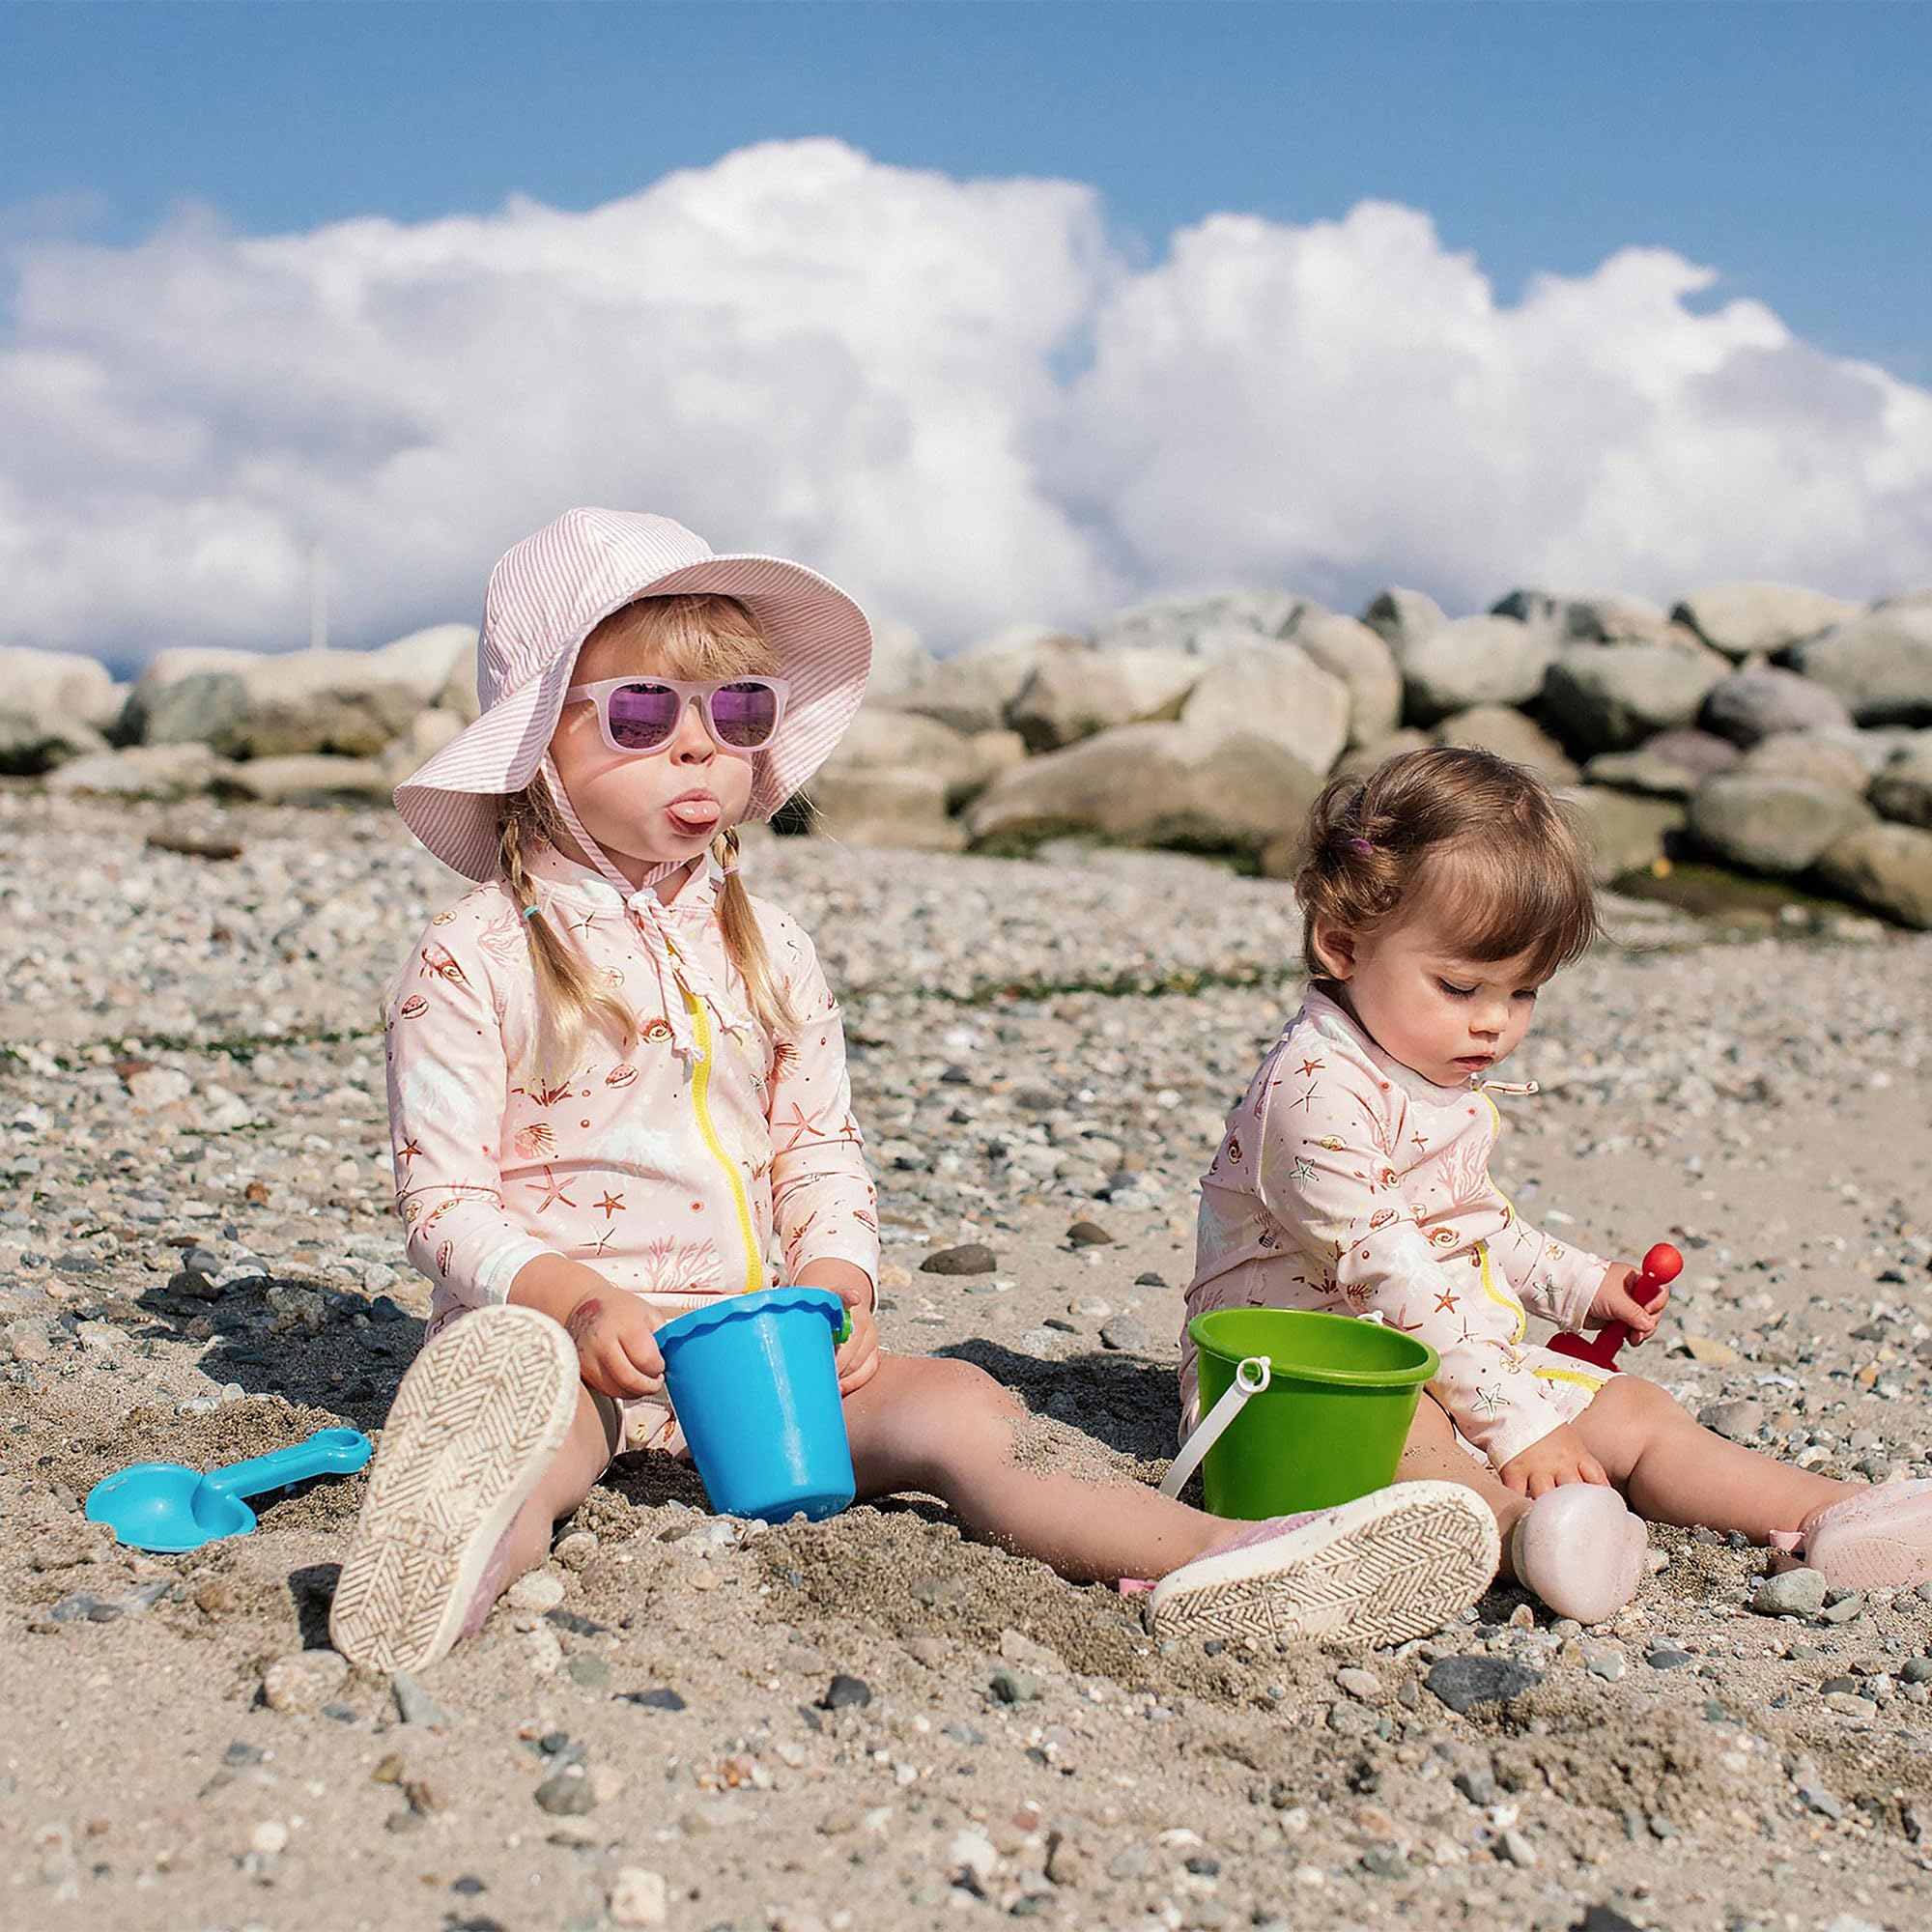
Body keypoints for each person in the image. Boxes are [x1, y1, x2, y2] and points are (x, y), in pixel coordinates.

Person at [327, 509, 1497, 1675]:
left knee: (968, 1418)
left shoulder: (767, 947)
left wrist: (840, 1274)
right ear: (535, 742)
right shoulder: (471, 956)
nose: (702, 749)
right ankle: (451, 1556)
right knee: (533, 1455)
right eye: (643, 713)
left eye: (738, 712)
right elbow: (444, 1200)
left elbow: (814, 1145)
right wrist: (571, 1298)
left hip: (754, 1348)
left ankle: (1228, 1555)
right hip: (573, 1346)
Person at [1186, 744, 1932, 1625]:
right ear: (1343, 945)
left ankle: (1826, 1509)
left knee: (1635, 1413)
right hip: (1296, 1382)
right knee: (1425, 1447)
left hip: (1440, 1359)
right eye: (1460, 985)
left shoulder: (1421, 1065)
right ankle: (1528, 1535)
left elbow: (1469, 1225)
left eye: (1524, 991)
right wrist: (1516, 1423)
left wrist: (1581, 1284)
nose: (1495, 1023)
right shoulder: (1313, 1094)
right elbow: (1391, 1272)